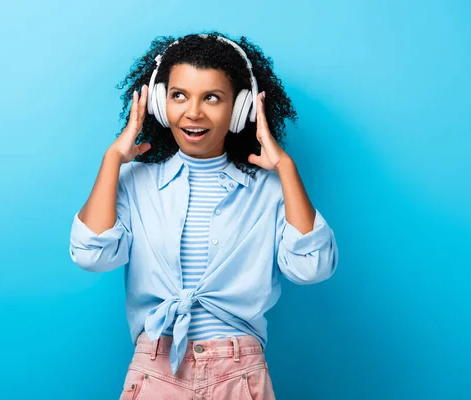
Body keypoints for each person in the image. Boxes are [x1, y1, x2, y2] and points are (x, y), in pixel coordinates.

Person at [69, 32, 338, 400]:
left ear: (240, 109)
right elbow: (91, 255)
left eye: (212, 98)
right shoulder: (135, 181)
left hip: (239, 374)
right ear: (162, 105)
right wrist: (112, 161)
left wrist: (286, 169)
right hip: (156, 369)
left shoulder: (271, 190)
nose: (193, 112)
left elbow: (313, 268)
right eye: (179, 96)